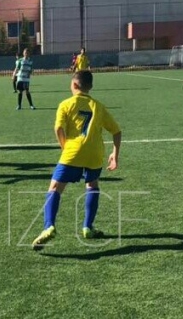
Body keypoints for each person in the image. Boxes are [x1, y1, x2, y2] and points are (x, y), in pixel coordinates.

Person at [31, 70, 121, 251]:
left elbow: (58, 128)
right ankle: (88, 227)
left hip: (73, 152)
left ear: (74, 85)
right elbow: (116, 131)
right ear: (91, 87)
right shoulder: (98, 106)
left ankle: (49, 226)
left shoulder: (66, 104)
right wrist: (114, 154)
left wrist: (65, 147)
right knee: (92, 184)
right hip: (95, 154)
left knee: (55, 188)